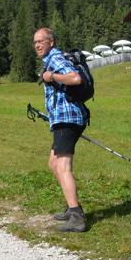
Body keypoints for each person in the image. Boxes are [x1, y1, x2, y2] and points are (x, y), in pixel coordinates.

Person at [33, 27, 89, 232]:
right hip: (62, 119)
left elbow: (75, 78)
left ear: (51, 42)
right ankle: (71, 206)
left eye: (41, 41)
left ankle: (77, 217)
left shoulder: (55, 59)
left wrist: (52, 76)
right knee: (53, 164)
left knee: (63, 166)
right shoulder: (50, 60)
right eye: (35, 42)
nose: (37, 45)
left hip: (68, 119)